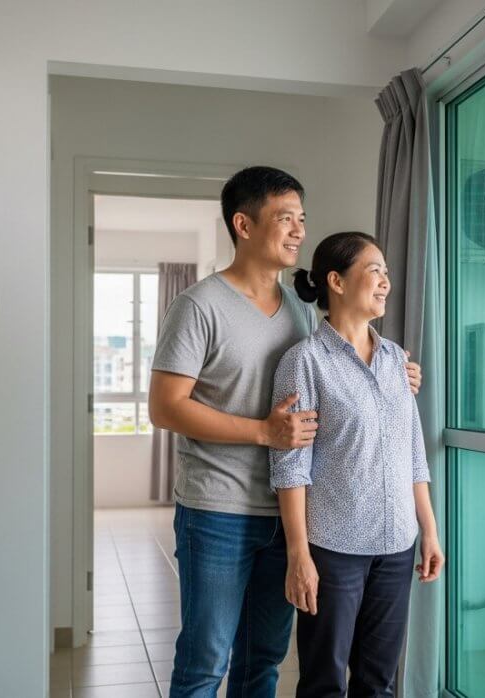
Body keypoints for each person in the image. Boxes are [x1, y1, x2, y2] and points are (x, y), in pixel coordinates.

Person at [149, 169, 422, 698]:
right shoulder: (198, 305)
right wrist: (263, 433)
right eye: (285, 218)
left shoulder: (301, 309)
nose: (299, 230)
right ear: (243, 224)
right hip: (218, 510)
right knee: (206, 660)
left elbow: (351, 361)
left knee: (264, 661)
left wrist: (402, 373)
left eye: (302, 218)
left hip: (289, 516)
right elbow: (165, 408)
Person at [269, 232, 445, 698]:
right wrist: (298, 555)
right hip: (333, 549)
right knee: (325, 683)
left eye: (387, 272)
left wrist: (427, 529)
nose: (386, 281)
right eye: (375, 271)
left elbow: (412, 453)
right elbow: (290, 467)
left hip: (396, 544)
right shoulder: (304, 362)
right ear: (337, 281)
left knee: (379, 683)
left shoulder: (395, 360)